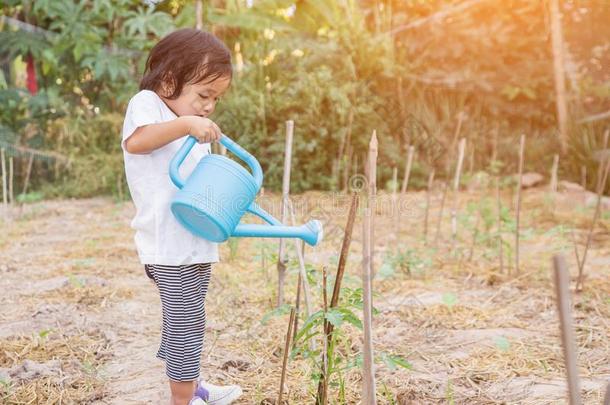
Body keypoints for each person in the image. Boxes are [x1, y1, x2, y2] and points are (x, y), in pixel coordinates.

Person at [121, 28, 242, 405]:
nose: (208, 107)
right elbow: (136, 142)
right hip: (167, 243)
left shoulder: (192, 130)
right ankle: (182, 400)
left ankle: (195, 386)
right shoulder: (148, 104)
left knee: (189, 319)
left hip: (195, 239)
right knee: (186, 323)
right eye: (203, 95)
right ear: (170, 81)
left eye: (216, 99)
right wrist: (187, 125)